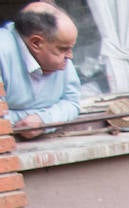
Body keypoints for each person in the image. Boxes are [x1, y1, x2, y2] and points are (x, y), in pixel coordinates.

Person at [0, 3, 79, 139]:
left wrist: (43, 119)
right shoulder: (3, 51)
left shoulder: (61, 56)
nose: (70, 56)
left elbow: (72, 102)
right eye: (63, 49)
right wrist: (35, 119)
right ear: (36, 43)